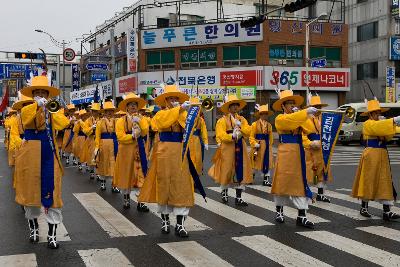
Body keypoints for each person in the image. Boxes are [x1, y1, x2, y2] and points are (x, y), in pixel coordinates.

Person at [15, 73, 69, 249]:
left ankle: (52, 234)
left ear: (48, 95)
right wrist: (37, 107)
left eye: (43, 93)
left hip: (49, 153)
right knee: (30, 193)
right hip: (30, 155)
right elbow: (26, 119)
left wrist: (51, 111)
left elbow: (63, 124)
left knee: (53, 192)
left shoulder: (54, 109)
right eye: (37, 93)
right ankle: (34, 229)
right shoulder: (26, 109)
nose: (41, 96)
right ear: (32, 95)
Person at [138, 84, 195, 238]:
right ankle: (165, 222)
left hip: (180, 152)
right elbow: (161, 123)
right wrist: (178, 109)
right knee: (163, 184)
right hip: (163, 152)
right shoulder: (159, 114)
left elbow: (190, 127)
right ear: (165, 100)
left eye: (175, 98)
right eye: (170, 98)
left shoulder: (182, 113)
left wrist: (184, 112)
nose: (173, 100)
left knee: (181, 184)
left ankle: (180, 225)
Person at [271, 89, 317, 228]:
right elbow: (288, 123)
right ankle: (279, 211)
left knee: (300, 182)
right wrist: (304, 113)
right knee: (282, 182)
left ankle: (302, 216)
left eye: (293, 103)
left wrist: (307, 116)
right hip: (285, 152)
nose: (292, 105)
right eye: (289, 103)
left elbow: (310, 129)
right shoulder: (280, 118)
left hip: (298, 153)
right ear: (283, 106)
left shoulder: (298, 116)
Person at [351, 98, 400, 221]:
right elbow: (376, 128)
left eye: (379, 112)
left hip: (382, 153)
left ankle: (387, 211)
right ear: (370, 114)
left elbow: (388, 137)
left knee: (385, 180)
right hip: (371, 154)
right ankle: (364, 207)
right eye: (376, 113)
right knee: (368, 180)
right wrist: (393, 120)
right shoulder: (368, 123)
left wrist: (391, 124)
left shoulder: (380, 123)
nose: (379, 114)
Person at [208, 95, 252, 206]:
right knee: (226, 170)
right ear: (228, 107)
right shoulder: (222, 120)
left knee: (241, 169)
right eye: (233, 105)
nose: (235, 107)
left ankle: (239, 197)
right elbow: (220, 134)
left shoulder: (242, 119)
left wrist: (241, 127)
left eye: (237, 105)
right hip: (228, 147)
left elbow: (249, 130)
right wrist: (231, 136)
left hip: (240, 146)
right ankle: (224, 191)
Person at [114, 93, 150, 211]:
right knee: (127, 174)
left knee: (141, 174)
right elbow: (120, 136)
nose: (133, 106)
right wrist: (132, 137)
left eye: (135, 104)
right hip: (126, 151)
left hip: (139, 149)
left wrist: (139, 122)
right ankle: (126, 197)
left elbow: (145, 132)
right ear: (127, 107)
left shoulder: (142, 118)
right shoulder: (120, 121)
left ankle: (141, 201)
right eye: (131, 105)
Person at [302, 94, 332, 202]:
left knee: (322, 171)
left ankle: (320, 194)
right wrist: (310, 143)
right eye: (316, 106)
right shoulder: (306, 119)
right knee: (308, 171)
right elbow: (303, 135)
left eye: (320, 106)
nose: (319, 109)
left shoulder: (324, 118)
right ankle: (306, 192)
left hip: (322, 148)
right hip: (310, 149)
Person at [94, 101, 120, 193]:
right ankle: (103, 182)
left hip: (114, 144)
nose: (109, 112)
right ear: (104, 112)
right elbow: (97, 136)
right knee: (103, 163)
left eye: (111, 111)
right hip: (103, 145)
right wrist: (97, 148)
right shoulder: (99, 123)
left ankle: (114, 184)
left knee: (115, 163)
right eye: (107, 111)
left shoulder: (117, 121)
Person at [249, 104, 274, 186]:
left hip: (266, 146)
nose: (265, 115)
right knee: (255, 162)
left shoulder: (269, 125)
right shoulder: (254, 124)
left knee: (268, 162)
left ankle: (266, 179)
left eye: (266, 114)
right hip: (258, 146)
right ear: (260, 114)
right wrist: (254, 143)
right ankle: (251, 178)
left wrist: (270, 145)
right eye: (263, 113)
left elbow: (271, 137)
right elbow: (251, 136)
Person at [188, 97, 209, 176]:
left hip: (197, 140)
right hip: (188, 140)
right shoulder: (186, 117)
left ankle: (198, 172)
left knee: (199, 157)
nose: (195, 109)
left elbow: (204, 132)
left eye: (197, 106)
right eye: (193, 106)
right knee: (189, 158)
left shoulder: (201, 120)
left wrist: (206, 142)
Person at [82, 103, 101, 178]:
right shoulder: (88, 120)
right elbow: (85, 131)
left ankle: (99, 173)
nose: (94, 112)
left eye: (96, 111)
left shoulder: (101, 120)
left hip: (99, 139)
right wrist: (92, 128)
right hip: (91, 139)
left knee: (99, 156)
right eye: (93, 111)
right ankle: (92, 171)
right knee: (91, 156)